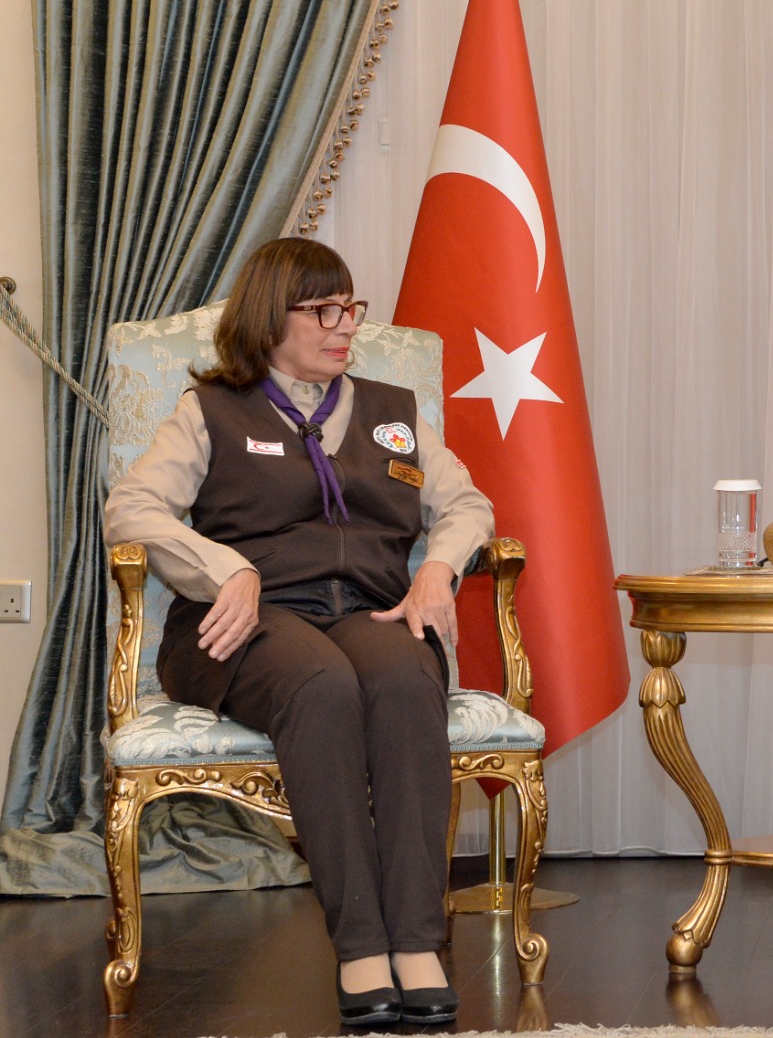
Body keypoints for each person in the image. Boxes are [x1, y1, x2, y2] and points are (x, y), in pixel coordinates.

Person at [104, 237, 494, 1027]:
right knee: (320, 683)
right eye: (323, 310)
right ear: (269, 318)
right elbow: (131, 508)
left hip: (367, 610)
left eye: (350, 307)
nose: (345, 324)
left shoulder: (392, 413)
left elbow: (466, 505)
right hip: (242, 626)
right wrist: (226, 568)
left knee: (406, 676)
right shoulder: (210, 410)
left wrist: (437, 569)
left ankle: (415, 941)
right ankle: (361, 947)